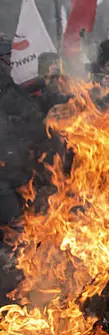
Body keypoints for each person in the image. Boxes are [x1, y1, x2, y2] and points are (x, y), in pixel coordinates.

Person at [0, 36, 45, 236]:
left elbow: (35, 127)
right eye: (7, 57)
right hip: (4, 183)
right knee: (14, 235)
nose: (11, 62)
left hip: (22, 177)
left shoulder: (16, 92)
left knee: (26, 234)